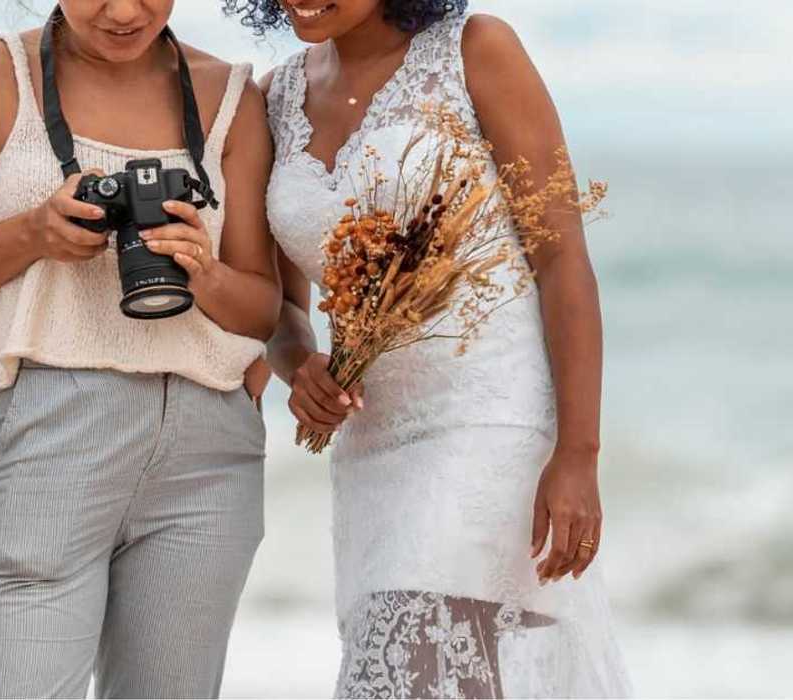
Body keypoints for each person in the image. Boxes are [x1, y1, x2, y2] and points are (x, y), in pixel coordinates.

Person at [226, 0, 632, 696]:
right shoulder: (274, 98)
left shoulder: (476, 50)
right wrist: (300, 367)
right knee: (438, 673)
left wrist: (577, 454)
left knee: (402, 663)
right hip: (372, 449)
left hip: (489, 424)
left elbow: (561, 256)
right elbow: (282, 304)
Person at [0, 0, 280, 696]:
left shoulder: (230, 95)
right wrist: (31, 235)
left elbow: (262, 309)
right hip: (43, 427)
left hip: (207, 448)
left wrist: (204, 269)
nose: (123, 11)